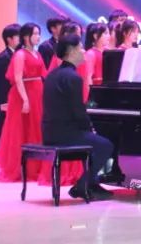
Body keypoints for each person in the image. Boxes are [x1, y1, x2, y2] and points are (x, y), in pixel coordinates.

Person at [40, 34, 115, 201]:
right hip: (66, 133)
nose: (83, 51)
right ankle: (83, 185)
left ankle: (91, 183)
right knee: (105, 145)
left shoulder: (53, 75)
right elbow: (78, 111)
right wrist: (90, 128)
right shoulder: (73, 77)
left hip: (50, 131)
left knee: (95, 141)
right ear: (71, 51)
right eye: (80, 48)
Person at [0, 23, 46, 182]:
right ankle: (19, 167)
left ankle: (35, 166)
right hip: (24, 95)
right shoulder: (20, 54)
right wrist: (25, 99)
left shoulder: (37, 53)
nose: (38, 36)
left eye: (38, 33)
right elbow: (17, 78)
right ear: (26, 36)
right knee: (21, 130)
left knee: (35, 129)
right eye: (35, 33)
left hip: (37, 94)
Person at [0, 24, 20, 149]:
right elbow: (1, 84)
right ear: (9, 39)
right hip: (6, 101)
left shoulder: (20, 55)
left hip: (17, 100)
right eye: (18, 36)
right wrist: (5, 102)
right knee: (3, 132)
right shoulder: (2, 58)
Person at [81, 23, 110, 101]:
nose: (109, 36)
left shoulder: (107, 52)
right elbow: (88, 78)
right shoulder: (90, 54)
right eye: (105, 33)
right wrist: (91, 99)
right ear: (95, 36)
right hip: (97, 94)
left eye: (109, 33)